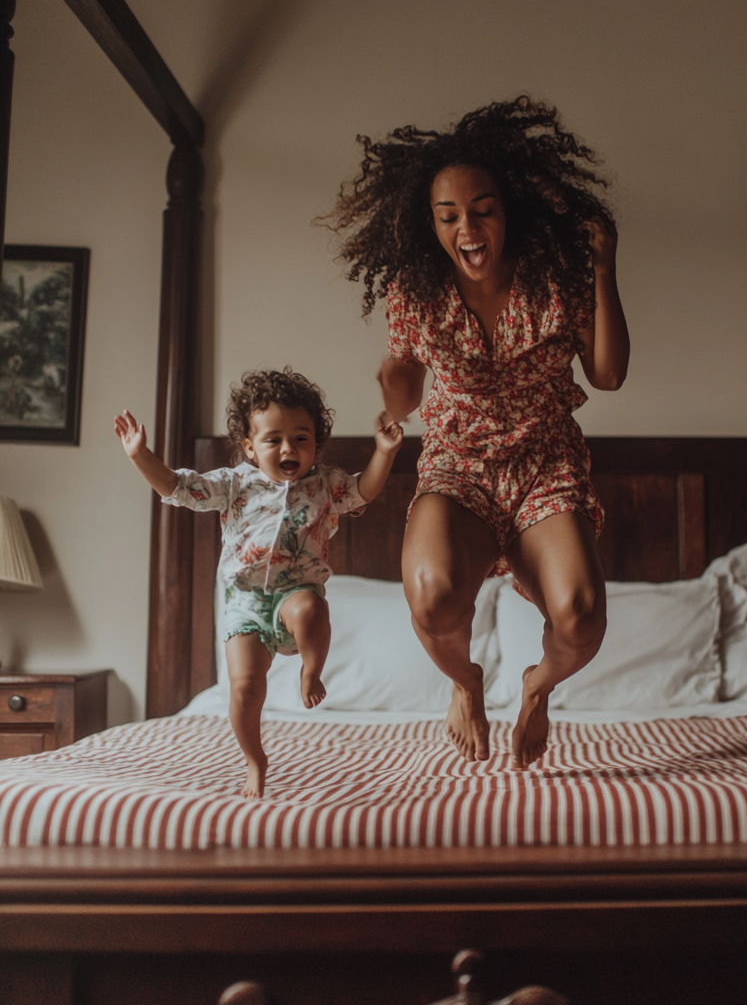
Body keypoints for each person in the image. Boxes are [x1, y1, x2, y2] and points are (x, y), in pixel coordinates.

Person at [321, 97, 630, 768]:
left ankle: (536, 687)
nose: (468, 225)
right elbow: (403, 389)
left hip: (545, 464)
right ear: (429, 222)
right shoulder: (416, 291)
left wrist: (605, 269)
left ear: (507, 208)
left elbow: (607, 376)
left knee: (580, 613)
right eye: (449, 214)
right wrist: (394, 389)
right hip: (458, 466)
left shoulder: (560, 277)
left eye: (482, 208)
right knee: (430, 597)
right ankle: (466, 685)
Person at [114, 367, 403, 798]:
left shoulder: (325, 485)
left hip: (297, 592)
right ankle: (255, 759)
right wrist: (140, 455)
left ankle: (311, 671)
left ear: (315, 444)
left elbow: (365, 490)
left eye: (301, 438)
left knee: (308, 608)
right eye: (273, 440)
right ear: (250, 447)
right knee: (245, 685)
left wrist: (385, 452)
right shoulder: (235, 485)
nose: (288, 447)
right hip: (244, 602)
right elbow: (178, 487)